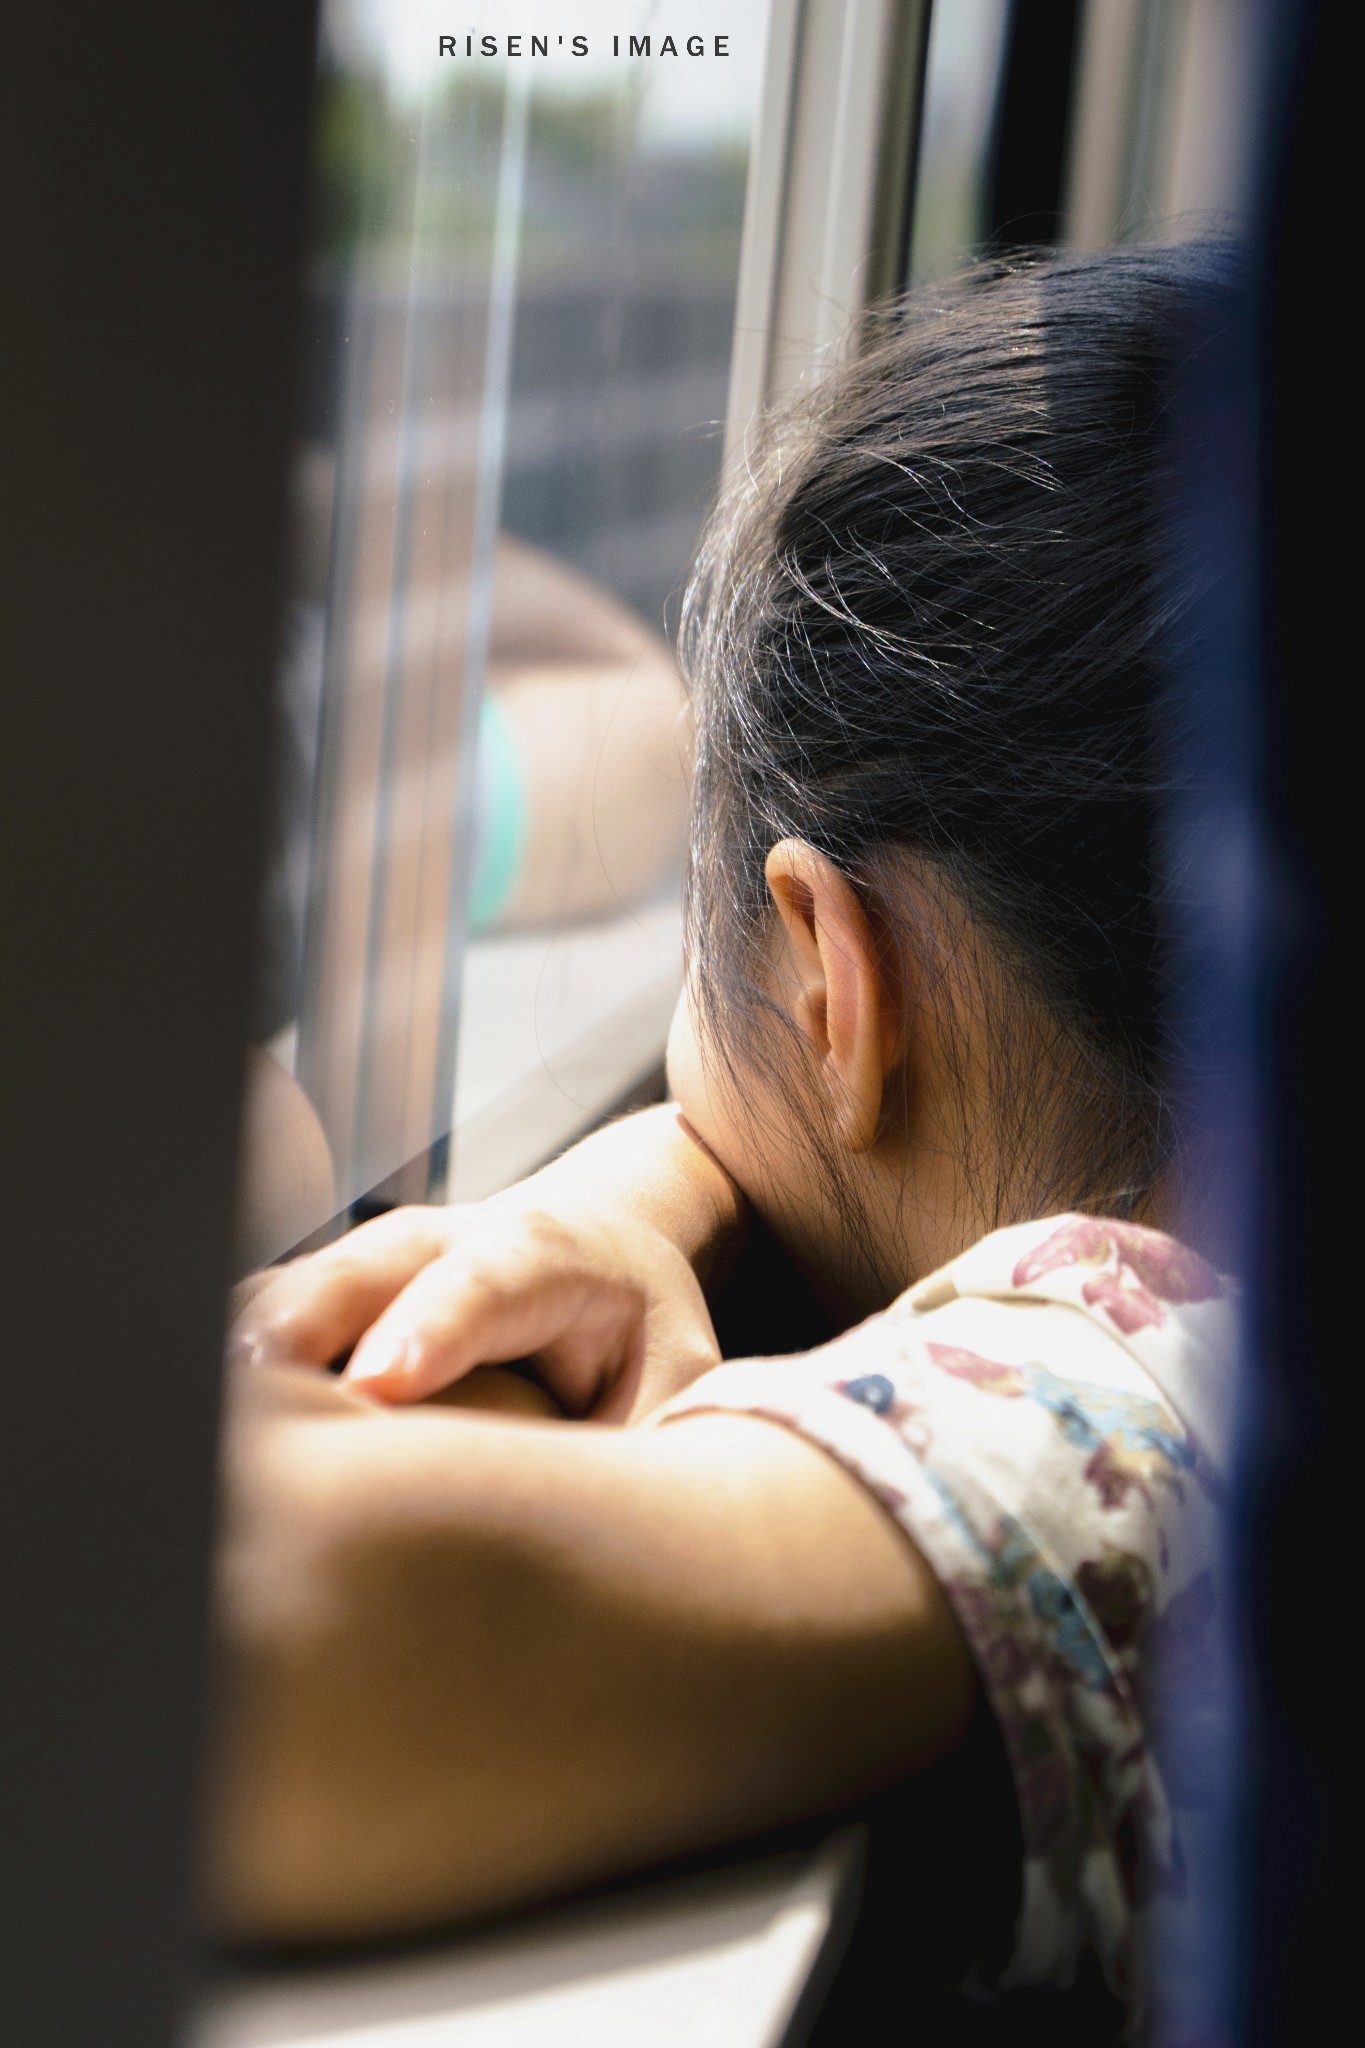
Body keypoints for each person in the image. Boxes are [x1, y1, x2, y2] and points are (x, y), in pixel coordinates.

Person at [214, 243, 1240, 2033]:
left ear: (829, 975)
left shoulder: (1174, 1391)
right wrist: (660, 1179)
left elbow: (212, 1609)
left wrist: (670, 1175)